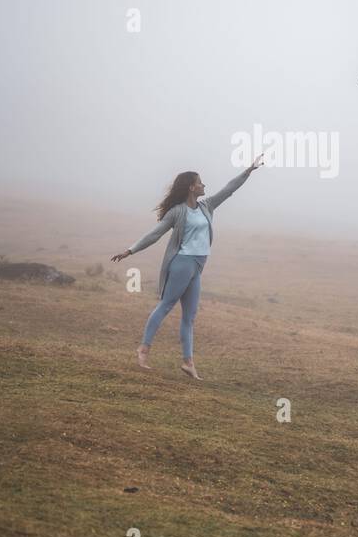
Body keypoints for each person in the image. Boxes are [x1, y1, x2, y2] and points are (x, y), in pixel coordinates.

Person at [111, 157, 263, 380]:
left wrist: (248, 171)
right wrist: (130, 250)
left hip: (198, 265)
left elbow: (228, 190)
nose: (204, 186)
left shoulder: (206, 206)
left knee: (189, 317)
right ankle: (143, 350)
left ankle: (188, 362)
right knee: (166, 305)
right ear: (192, 187)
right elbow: (156, 233)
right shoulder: (177, 212)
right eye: (200, 182)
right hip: (182, 263)